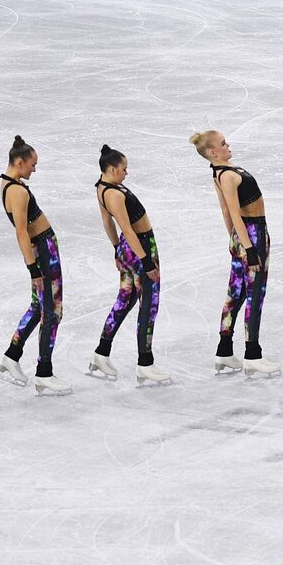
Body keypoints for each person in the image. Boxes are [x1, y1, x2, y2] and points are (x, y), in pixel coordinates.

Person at [190, 130, 279, 378]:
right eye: (223, 143)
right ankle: (253, 355)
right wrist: (249, 249)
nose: (228, 145)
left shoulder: (220, 173)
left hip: (242, 236)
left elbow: (227, 214)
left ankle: (225, 351)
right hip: (253, 234)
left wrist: (234, 240)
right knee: (254, 295)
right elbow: (233, 212)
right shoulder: (227, 176)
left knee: (236, 293)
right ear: (212, 152)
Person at [89, 145, 171, 385]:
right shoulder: (113, 194)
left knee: (125, 300)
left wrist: (117, 249)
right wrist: (146, 261)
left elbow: (107, 223)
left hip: (127, 248)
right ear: (112, 169)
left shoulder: (102, 188)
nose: (126, 173)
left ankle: (101, 353)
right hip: (140, 247)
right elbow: (126, 227)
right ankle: (145, 363)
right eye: (124, 169)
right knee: (149, 304)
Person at [0, 136, 70, 395]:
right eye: (32, 165)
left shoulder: (10, 184)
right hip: (42, 253)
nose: (34, 170)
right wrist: (34, 269)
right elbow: (21, 232)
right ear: (19, 162)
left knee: (40, 307)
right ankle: (44, 373)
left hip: (42, 250)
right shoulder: (16, 190)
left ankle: (12, 354)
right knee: (52, 312)